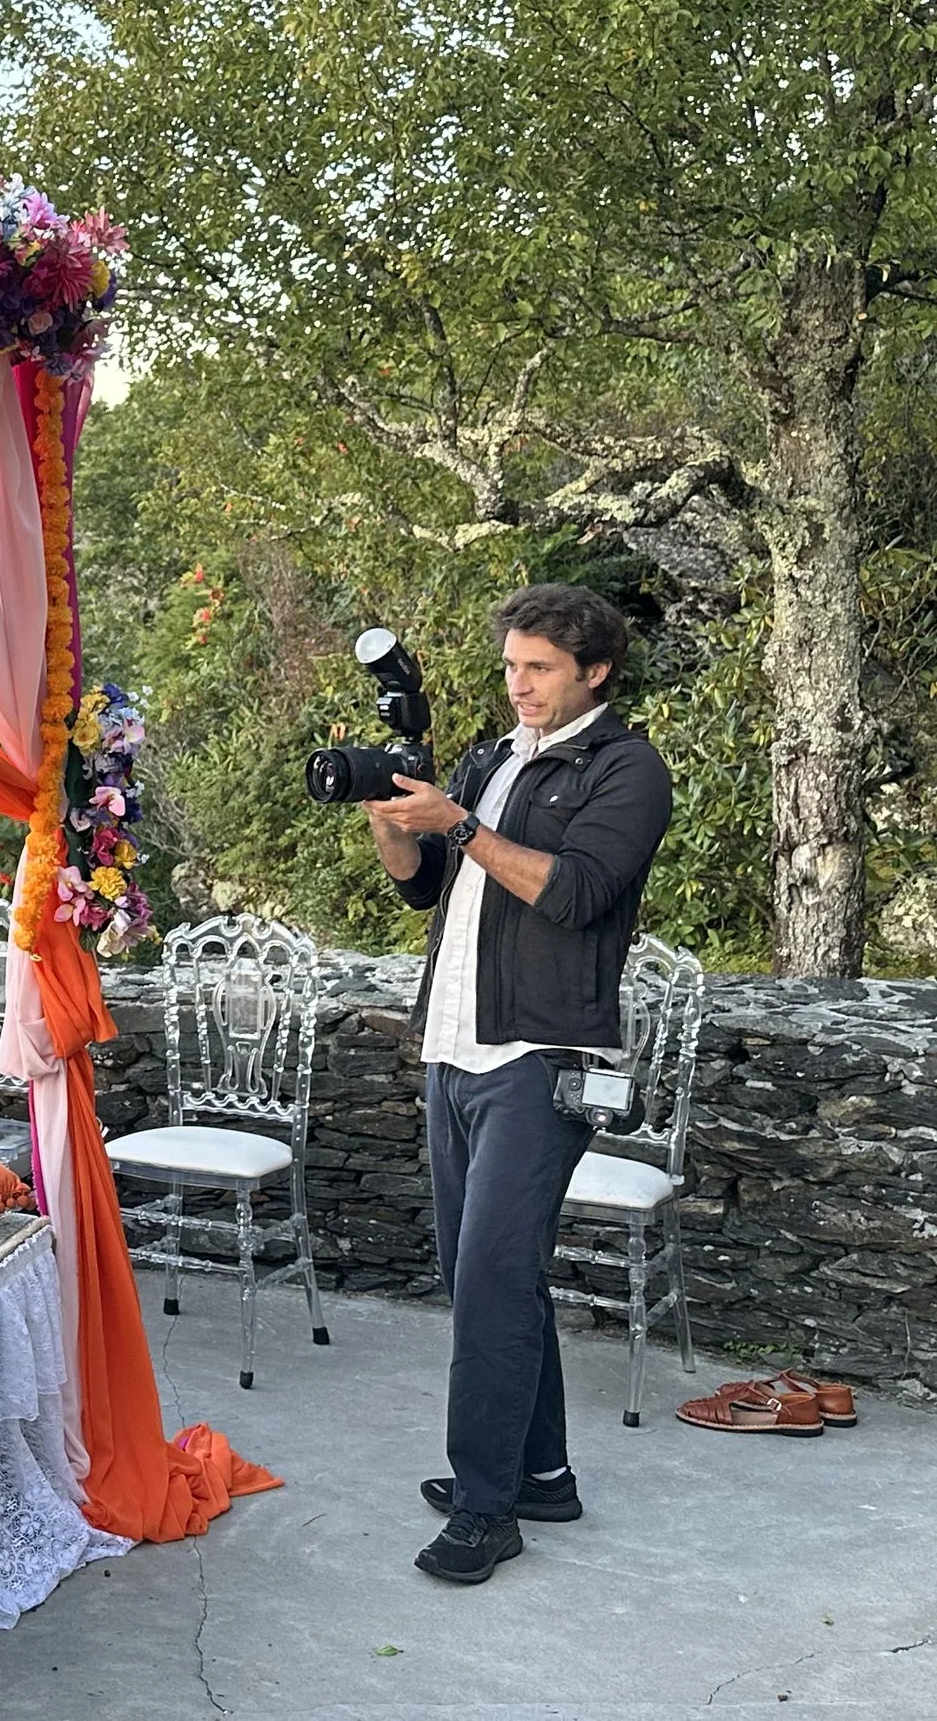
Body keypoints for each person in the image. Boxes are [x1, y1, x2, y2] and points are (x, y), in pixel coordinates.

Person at [366, 584, 673, 1586]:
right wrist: (393, 819)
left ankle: (486, 1511)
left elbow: (574, 894)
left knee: (492, 1280)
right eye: (509, 666)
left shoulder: (626, 769)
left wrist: (458, 823)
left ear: (593, 672)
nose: (519, 685)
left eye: (537, 668)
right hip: (451, 1048)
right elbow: (423, 887)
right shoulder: (490, 762)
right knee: (482, 1275)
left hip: (541, 1060)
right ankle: (540, 1472)